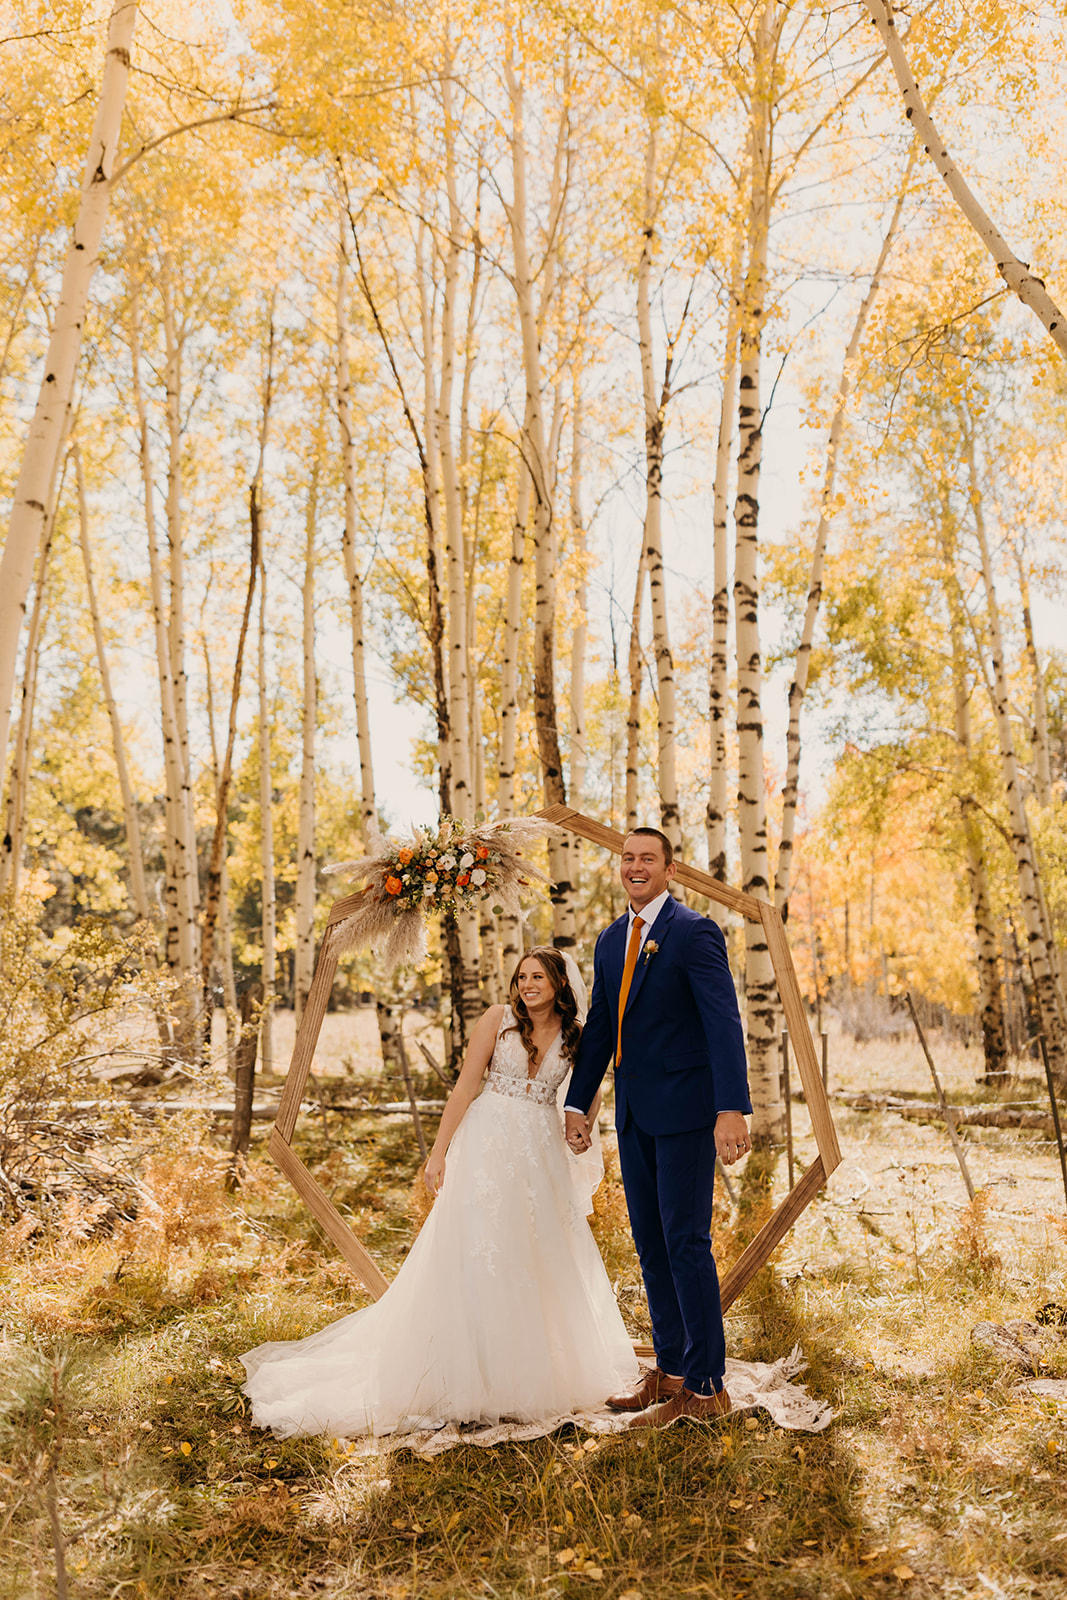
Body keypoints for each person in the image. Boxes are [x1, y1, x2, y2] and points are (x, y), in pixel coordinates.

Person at [240, 948, 639, 1438]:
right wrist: (438, 1152)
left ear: (560, 982)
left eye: (538, 976)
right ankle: (462, 1374)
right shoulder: (498, 1021)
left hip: (540, 1153)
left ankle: (524, 1374)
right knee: (476, 1251)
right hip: (487, 1146)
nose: (528, 985)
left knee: (533, 1256)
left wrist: (583, 1127)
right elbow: (465, 1085)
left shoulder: (578, 1036)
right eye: (521, 977)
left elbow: (588, 1093)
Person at [564, 827, 751, 1428]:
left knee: (686, 1243)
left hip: (690, 1112)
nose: (636, 867)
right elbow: (600, 1028)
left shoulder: (695, 932)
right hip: (634, 1113)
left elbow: (723, 1023)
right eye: (628, 859)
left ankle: (706, 1386)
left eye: (648, 858)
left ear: (670, 869)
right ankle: (670, 1369)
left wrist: (731, 1108)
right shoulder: (611, 938)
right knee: (649, 1244)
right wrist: (578, 1101)